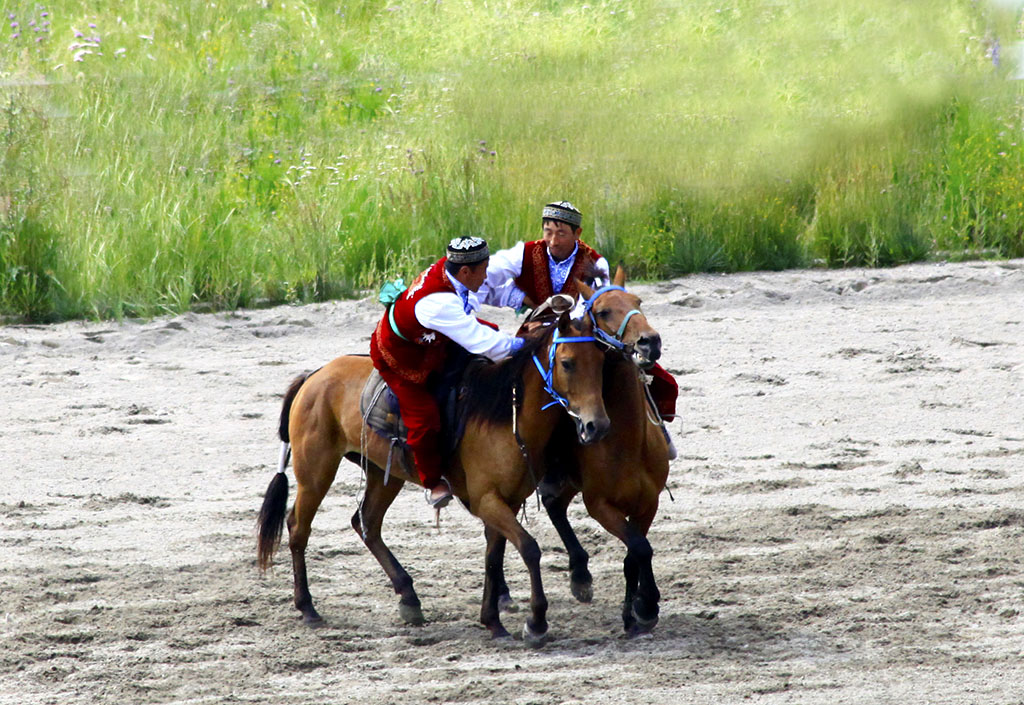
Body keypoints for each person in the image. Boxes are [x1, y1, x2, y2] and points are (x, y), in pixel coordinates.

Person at [478, 201, 679, 456]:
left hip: (584, 332)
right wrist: (521, 300)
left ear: (577, 234)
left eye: (561, 233)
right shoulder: (523, 255)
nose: (552, 240)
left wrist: (562, 320)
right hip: (539, 333)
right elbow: (482, 281)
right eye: (548, 232)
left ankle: (657, 431)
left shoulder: (595, 263)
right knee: (512, 377)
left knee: (636, 372)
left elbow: (597, 306)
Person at [370, 236, 525, 508]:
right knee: (424, 419)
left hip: (432, 338)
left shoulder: (452, 271)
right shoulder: (439, 302)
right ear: (466, 271)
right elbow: (483, 343)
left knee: (490, 335)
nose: (486, 275)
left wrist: (521, 300)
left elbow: (484, 299)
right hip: (403, 359)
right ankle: (433, 481)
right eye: (484, 270)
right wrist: (524, 346)